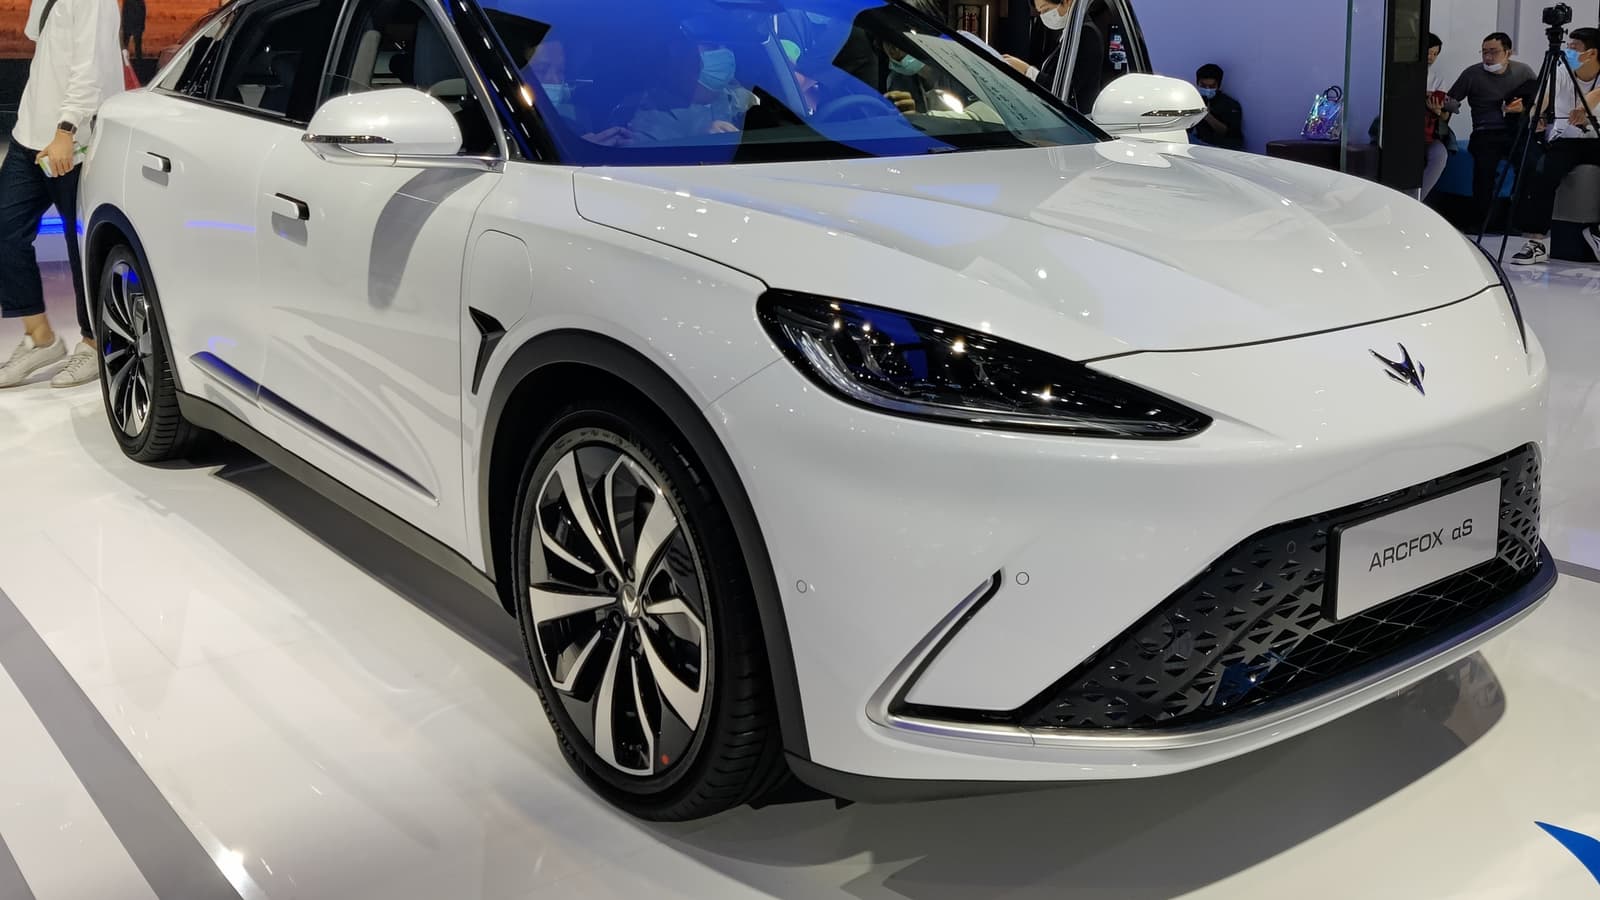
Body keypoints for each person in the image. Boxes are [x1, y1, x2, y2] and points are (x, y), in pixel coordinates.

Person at [0, 0, 124, 389]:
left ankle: (93, 342)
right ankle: (40, 339)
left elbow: (90, 68)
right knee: (5, 229)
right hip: (29, 136)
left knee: (80, 245)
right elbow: (41, 46)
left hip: (73, 142)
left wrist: (65, 129)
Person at [1510, 27, 1600, 265]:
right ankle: (1536, 242)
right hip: (1566, 139)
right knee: (1542, 173)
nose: (1568, 51)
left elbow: (1596, 94)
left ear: (1592, 53)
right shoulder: (1562, 69)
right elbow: (1545, 96)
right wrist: (1536, 114)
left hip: (1597, 139)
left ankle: (1597, 231)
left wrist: (1583, 109)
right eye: (1568, 46)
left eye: (1574, 48)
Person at [1448, 32, 1537, 226]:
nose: (1488, 57)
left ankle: (1519, 218)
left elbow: (1538, 100)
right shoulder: (1472, 74)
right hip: (1485, 131)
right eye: (1484, 52)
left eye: (1494, 52)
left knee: (1530, 162)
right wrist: (1445, 108)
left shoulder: (1523, 72)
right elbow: (1451, 100)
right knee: (1484, 168)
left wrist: (1523, 108)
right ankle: (1482, 221)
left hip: (1515, 130)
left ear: (1508, 53)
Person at [1001, 0, 1105, 112]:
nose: (1044, 16)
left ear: (1067, 2)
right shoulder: (1068, 34)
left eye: (1046, 9)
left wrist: (1027, 71)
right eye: (1040, 12)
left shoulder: (1087, 34)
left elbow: (1067, 90)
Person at [1423, 32, 1460, 200]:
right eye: (1428, 52)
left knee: (1440, 155)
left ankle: (1417, 199)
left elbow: (1445, 116)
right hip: (1406, 131)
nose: (1431, 57)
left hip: (1429, 133)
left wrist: (1437, 111)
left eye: (1435, 54)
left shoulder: (1437, 80)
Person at [1190, 63, 1243, 150]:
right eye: (1203, 85)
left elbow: (1229, 133)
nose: (1207, 89)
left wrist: (1208, 116)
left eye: (1211, 86)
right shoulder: (1195, 100)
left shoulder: (1230, 104)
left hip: (1222, 146)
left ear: (1218, 86)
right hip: (1200, 143)